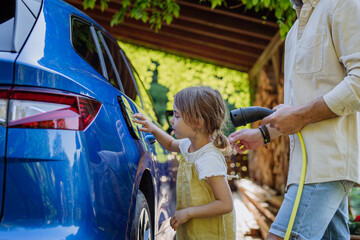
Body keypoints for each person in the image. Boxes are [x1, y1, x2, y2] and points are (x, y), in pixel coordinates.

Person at [228, 0, 360, 239]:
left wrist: (299, 115)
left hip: (327, 165)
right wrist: (263, 134)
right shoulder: (293, 33)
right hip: (303, 168)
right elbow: (296, 111)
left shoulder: (344, 4)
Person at [133, 86, 236, 239]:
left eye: (177, 115)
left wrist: (188, 213)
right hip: (196, 230)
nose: (171, 120)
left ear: (197, 121)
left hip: (211, 234)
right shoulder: (188, 145)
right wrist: (153, 129)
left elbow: (225, 204)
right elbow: (169, 144)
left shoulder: (208, 158)